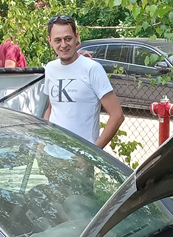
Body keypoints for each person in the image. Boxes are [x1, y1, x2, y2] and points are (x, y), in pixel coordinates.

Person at [42, 15, 124, 148]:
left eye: (68, 38)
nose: (63, 45)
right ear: (50, 41)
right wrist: (43, 141)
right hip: (52, 152)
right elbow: (51, 108)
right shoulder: (51, 68)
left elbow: (117, 115)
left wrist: (93, 152)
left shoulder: (92, 69)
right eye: (58, 40)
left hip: (80, 155)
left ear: (77, 37)